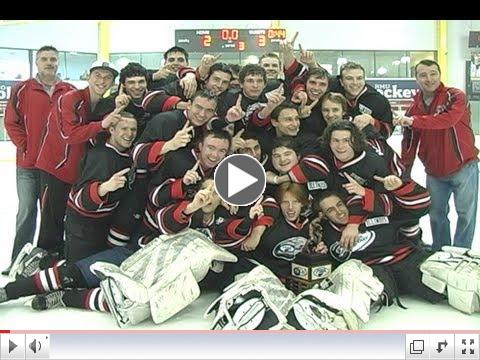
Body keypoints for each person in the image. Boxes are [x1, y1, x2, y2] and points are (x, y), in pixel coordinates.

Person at [34, 60, 120, 257]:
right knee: (51, 223)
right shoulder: (69, 98)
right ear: (88, 76)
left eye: (107, 77)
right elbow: (69, 135)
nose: (102, 80)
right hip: (56, 170)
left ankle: (64, 265)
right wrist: (102, 124)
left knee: (72, 222)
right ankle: (42, 267)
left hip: (79, 174)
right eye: (97, 75)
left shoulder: (106, 105)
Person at [3, 45, 76, 275]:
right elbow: (11, 122)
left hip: (55, 168)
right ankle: (17, 262)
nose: (49, 63)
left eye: (53, 59)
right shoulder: (21, 89)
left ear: (58, 62)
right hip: (28, 165)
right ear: (37, 62)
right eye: (44, 59)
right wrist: (25, 147)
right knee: (26, 212)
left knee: (50, 215)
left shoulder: (69, 90)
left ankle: (45, 262)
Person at [397, 59, 479, 251]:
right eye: (423, 75)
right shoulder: (414, 107)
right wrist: (405, 171)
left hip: (464, 167)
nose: (429, 79)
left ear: (440, 74)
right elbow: (409, 141)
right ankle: (440, 251)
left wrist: (414, 121)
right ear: (415, 78)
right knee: (436, 215)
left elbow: (448, 120)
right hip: (434, 172)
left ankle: (461, 252)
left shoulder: (455, 96)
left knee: (466, 214)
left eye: (433, 73)